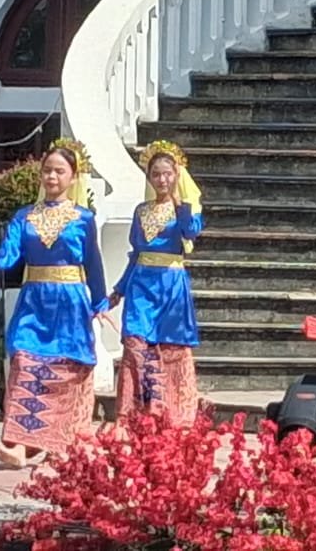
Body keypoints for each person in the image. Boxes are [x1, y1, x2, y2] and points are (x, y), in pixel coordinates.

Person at [0, 138, 110, 469]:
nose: (52, 177)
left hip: (70, 303)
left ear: (73, 177)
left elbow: (93, 263)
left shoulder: (83, 219)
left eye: (59, 171)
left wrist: (100, 301)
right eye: (47, 170)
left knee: (64, 371)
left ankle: (57, 444)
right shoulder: (24, 217)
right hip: (34, 301)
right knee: (25, 363)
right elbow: (8, 259)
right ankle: (19, 443)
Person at [109, 139, 204, 423]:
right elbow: (136, 254)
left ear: (177, 175)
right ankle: (131, 414)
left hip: (171, 285)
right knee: (135, 344)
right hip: (141, 284)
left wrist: (182, 205)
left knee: (169, 348)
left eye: (167, 174)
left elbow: (191, 233)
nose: (162, 180)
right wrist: (119, 289)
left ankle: (170, 413)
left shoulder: (185, 209)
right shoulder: (141, 210)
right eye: (156, 174)